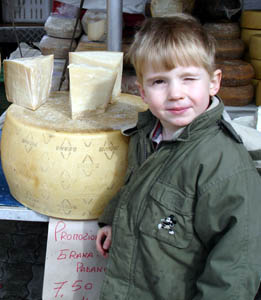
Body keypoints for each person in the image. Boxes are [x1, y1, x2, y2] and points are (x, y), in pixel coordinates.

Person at [96, 14, 261, 300]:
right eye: (159, 81)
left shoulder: (224, 165)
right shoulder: (146, 134)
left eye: (188, 79)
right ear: (143, 92)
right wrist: (113, 221)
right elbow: (136, 185)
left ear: (213, 82)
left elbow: (236, 266)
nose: (175, 94)